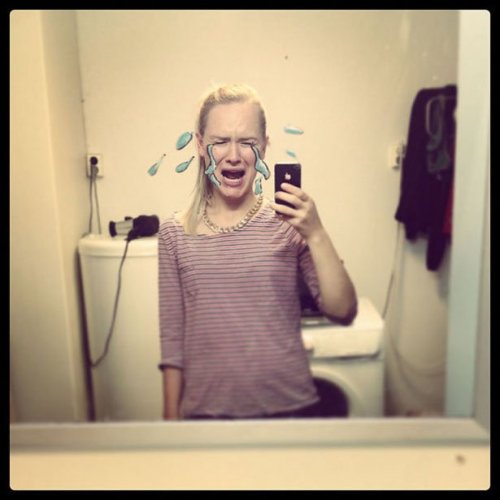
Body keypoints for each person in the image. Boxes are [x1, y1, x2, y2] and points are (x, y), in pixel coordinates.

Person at [158, 83, 357, 420]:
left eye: (247, 142)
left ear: (264, 147)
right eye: (220, 141)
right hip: (206, 415)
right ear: (201, 145)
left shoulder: (289, 222)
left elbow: (343, 311)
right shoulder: (174, 233)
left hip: (290, 411)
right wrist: (170, 425)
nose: (233, 155)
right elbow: (172, 341)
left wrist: (316, 233)